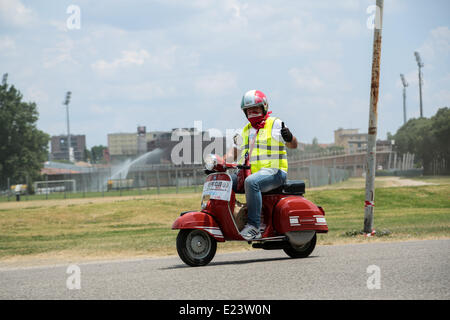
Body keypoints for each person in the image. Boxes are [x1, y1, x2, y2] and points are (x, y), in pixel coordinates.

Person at [225, 90, 298, 240]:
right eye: (249, 110)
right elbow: (234, 151)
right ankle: (228, 220)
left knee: (251, 183)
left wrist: (290, 137)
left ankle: (254, 226)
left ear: (264, 107)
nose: (252, 112)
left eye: (256, 109)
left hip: (275, 172)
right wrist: (220, 162)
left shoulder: (274, 124)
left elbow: (293, 145)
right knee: (224, 181)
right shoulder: (245, 130)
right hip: (251, 173)